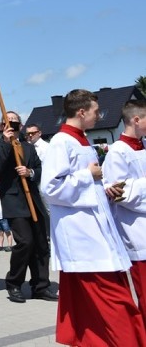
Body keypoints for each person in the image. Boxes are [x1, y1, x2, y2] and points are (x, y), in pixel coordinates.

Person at [41, 89, 146, 346]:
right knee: (117, 302)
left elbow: (94, 182)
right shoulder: (61, 142)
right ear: (81, 111)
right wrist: (88, 176)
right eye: (96, 111)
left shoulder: (81, 140)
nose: (99, 116)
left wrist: (106, 189)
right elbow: (50, 188)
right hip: (82, 236)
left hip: (97, 230)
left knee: (96, 302)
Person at [0, 111, 54, 303]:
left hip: (33, 200)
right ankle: (14, 283)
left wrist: (30, 172)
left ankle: (41, 286)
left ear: (21, 126)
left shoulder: (29, 147)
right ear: (2, 126)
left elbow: (41, 170)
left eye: (15, 123)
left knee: (41, 243)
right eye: (8, 123)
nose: (12, 126)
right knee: (25, 242)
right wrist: (8, 145)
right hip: (14, 201)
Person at [103, 100, 146, 322]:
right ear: (136, 120)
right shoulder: (117, 152)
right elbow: (120, 193)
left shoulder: (143, 145)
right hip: (137, 232)